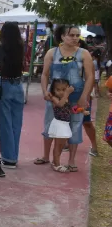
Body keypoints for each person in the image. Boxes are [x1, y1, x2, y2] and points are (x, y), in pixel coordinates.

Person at [35, 25, 94, 171]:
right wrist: (44, 91)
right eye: (71, 35)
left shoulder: (84, 53)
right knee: (50, 124)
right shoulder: (52, 53)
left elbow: (90, 77)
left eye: (77, 35)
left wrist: (84, 96)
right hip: (54, 98)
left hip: (76, 96)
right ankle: (46, 156)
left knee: (75, 126)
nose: (75, 38)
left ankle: (72, 160)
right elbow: (45, 74)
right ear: (62, 36)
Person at [0, 21, 25, 169]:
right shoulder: (21, 47)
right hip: (18, 85)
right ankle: (14, 156)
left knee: (4, 123)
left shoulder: (0, 48)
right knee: (16, 123)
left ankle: (8, 158)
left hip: (4, 85)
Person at [47, 79, 75, 172]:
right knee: (58, 145)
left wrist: (80, 110)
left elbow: (68, 109)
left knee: (62, 145)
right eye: (58, 90)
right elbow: (60, 105)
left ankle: (55, 161)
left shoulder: (67, 99)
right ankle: (57, 164)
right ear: (53, 90)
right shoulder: (54, 98)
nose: (61, 92)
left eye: (64, 89)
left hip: (65, 124)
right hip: (59, 124)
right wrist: (67, 93)